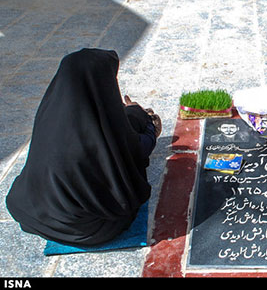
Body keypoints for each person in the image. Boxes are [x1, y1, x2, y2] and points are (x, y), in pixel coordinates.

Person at [6, 48, 161, 246]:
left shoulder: (50, 111)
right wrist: (147, 124)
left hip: (32, 212)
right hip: (86, 228)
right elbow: (138, 148)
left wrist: (132, 114)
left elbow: (115, 128)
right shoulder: (99, 136)